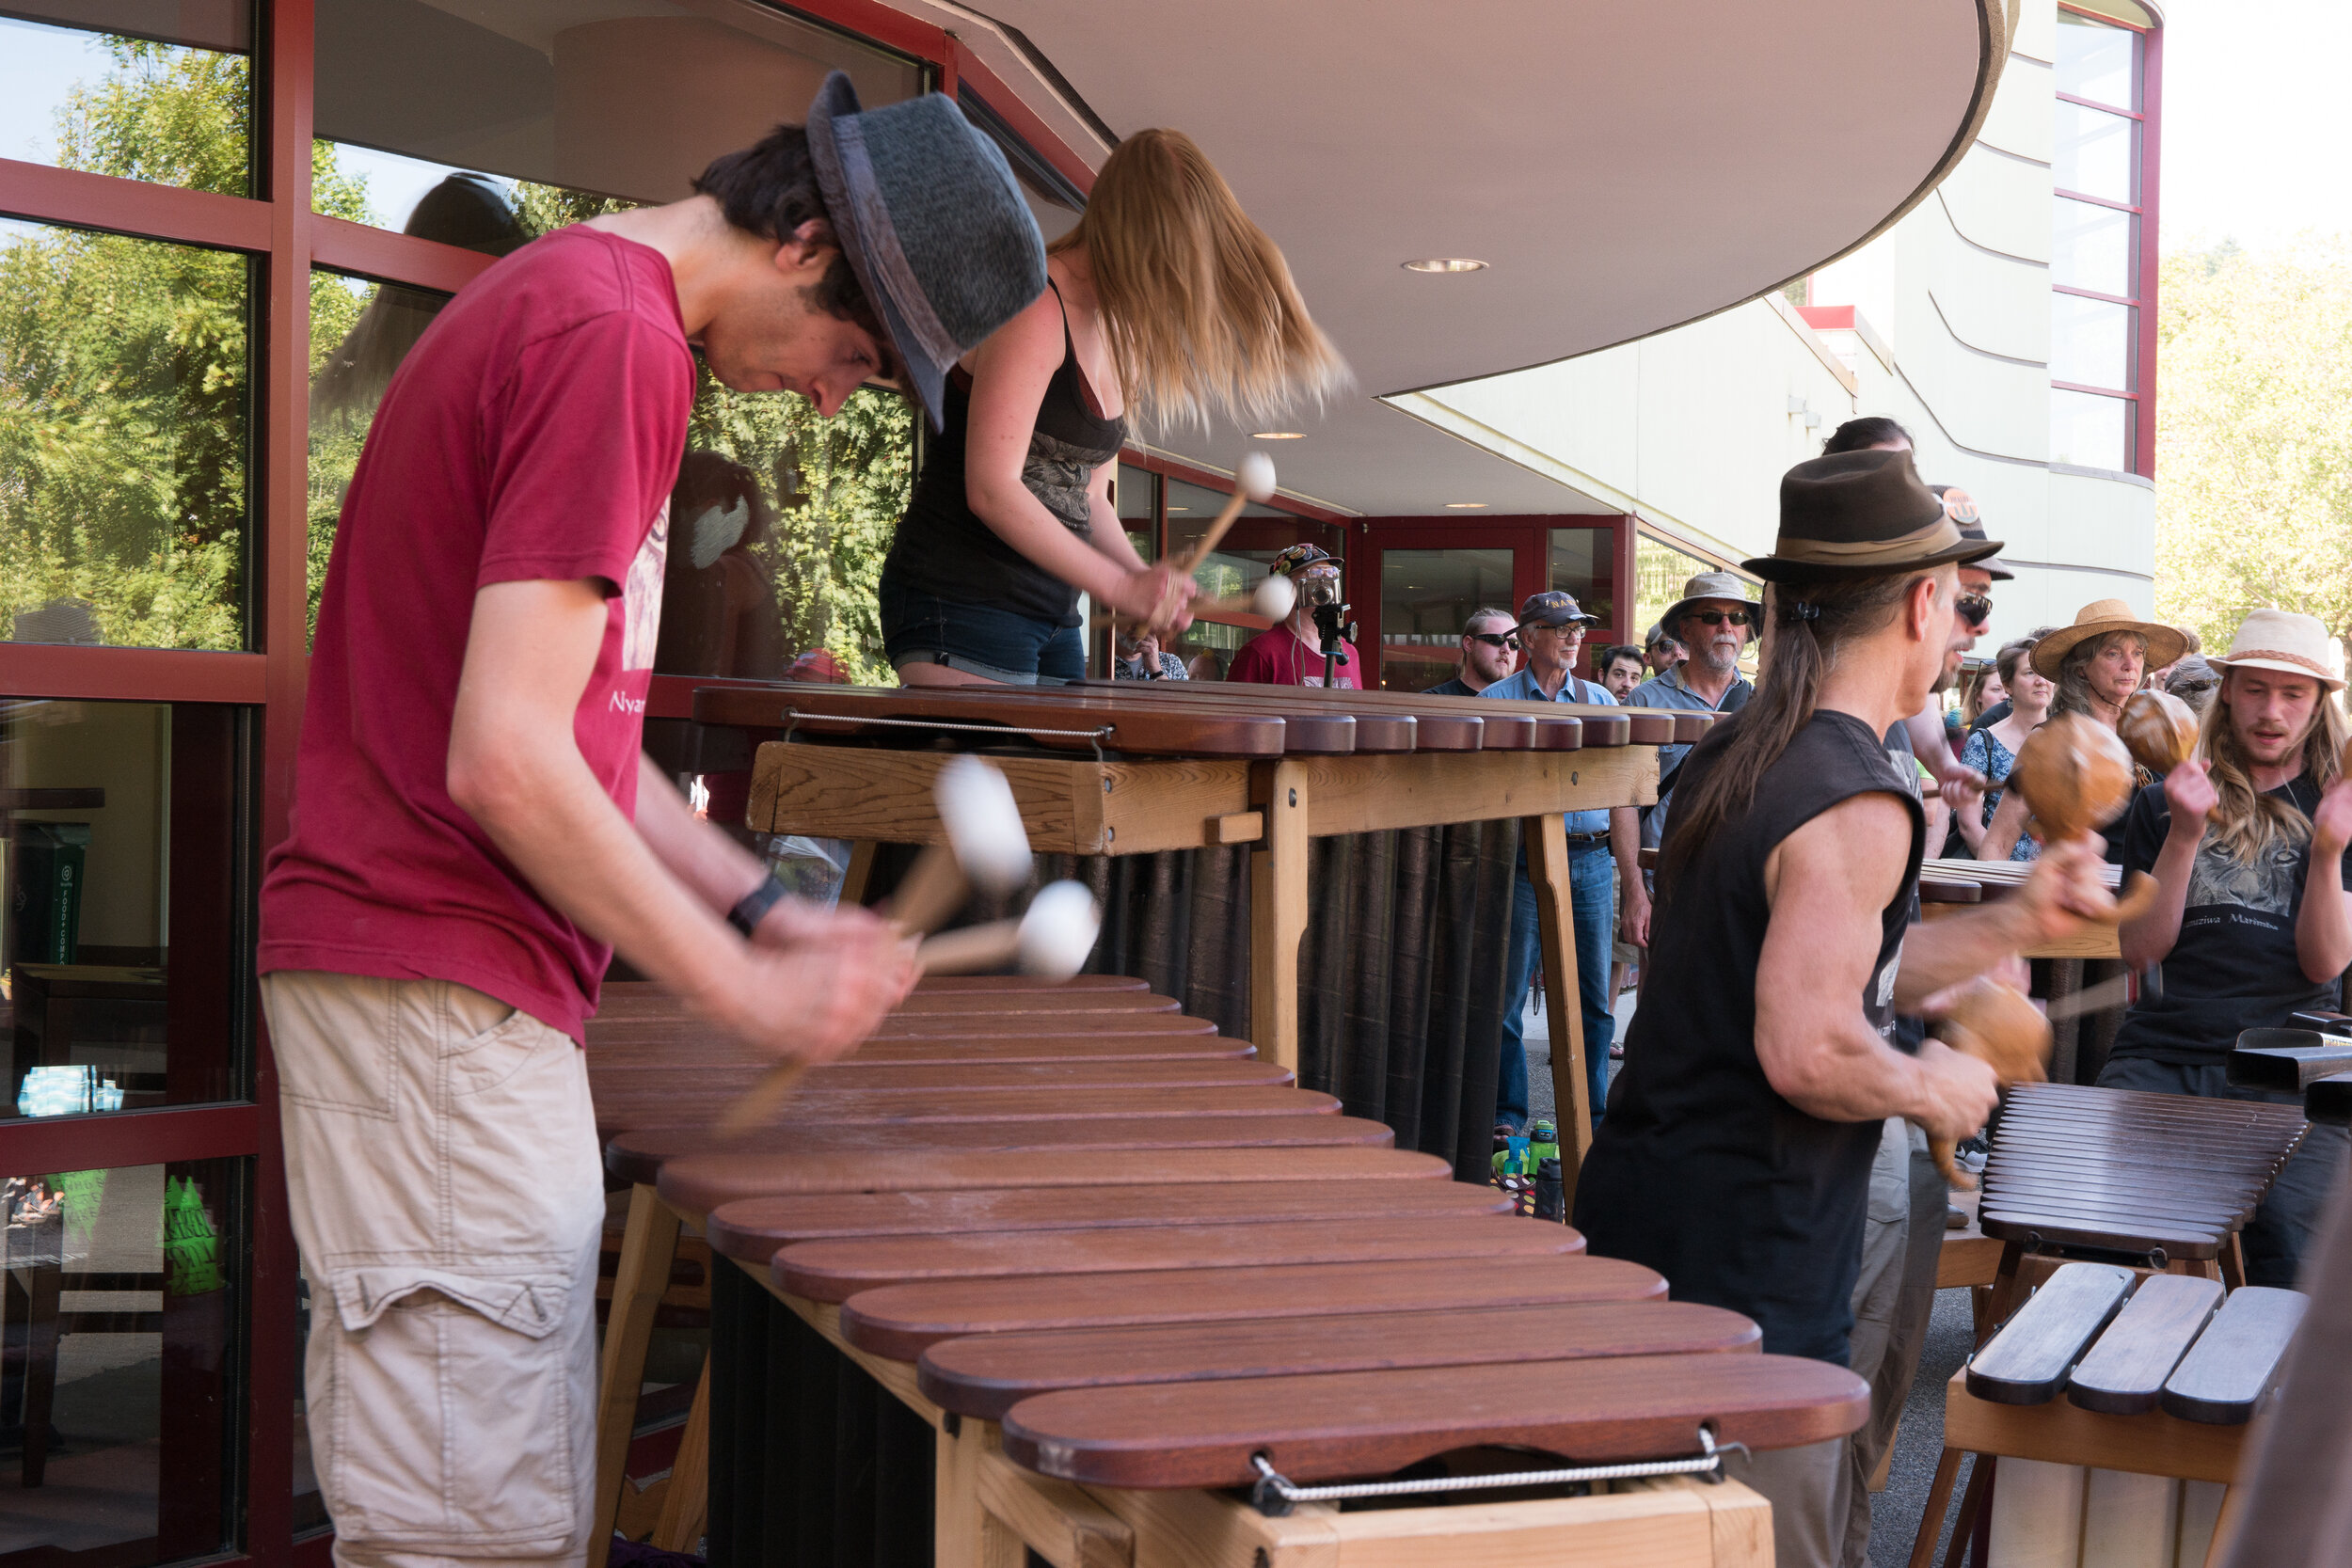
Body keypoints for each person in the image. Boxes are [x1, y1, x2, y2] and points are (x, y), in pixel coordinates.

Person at [256, 77, 1042, 1568]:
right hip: (437, 984)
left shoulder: (589, 311)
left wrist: (763, 908)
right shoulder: (608, 342)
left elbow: (574, 742)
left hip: (453, 993)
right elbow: (505, 761)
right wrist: (740, 987)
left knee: (505, 1521)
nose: (832, 397)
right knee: (477, 1542)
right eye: (859, 358)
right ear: (807, 242)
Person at [1574, 449, 2106, 1568]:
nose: (1964, 631)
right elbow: (1810, 1043)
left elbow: (1836, 968)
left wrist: (2017, 918)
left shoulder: (1742, 746)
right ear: (1917, 602)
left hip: (1649, 1218)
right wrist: (1935, 1084)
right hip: (1751, 1267)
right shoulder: (1857, 795)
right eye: (1960, 604)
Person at [879, 128, 1345, 685]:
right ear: (1133, 238)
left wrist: (1147, 580)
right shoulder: (1035, 305)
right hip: (959, 597)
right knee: (1014, 748)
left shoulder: (1122, 334)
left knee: (1070, 746)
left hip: (1051, 612)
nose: (1176, 292)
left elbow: (1089, 495)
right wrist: (1119, 587)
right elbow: (992, 489)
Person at [2105, 609, 2352, 1283]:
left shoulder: (2336, 805)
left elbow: (2325, 963)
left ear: (2318, 704)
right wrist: (2184, 835)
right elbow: (2141, 951)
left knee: (2294, 1265)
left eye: (2293, 693)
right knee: (2116, 1255)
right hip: (2163, 1052)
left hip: (2293, 1067)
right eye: (2256, 690)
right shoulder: (2162, 802)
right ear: (2229, 692)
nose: (2272, 711)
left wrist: (2328, 850)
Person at [1481, 592, 1648, 1133]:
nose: (1575, 637)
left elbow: (1624, 795)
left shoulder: (1601, 701)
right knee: (1507, 999)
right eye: (1561, 628)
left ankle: (1591, 1119)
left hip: (1593, 860)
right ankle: (1508, 1117)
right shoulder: (1496, 701)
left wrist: (1633, 883)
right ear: (1529, 638)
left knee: (1594, 1002)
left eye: (1579, 628)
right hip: (1522, 861)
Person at [1980, 599, 2186, 861]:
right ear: (2080, 668)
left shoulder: (2157, 732)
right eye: (2113, 653)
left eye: (2137, 653)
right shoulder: (2052, 740)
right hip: (2083, 884)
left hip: (2156, 885)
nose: (2130, 664)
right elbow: (1997, 844)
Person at [1632, 571, 1757, 820]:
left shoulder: (1760, 704)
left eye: (1737, 617)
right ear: (1686, 629)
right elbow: (1625, 803)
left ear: (1745, 631)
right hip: (1663, 846)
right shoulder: (1643, 702)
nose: (1726, 627)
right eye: (1712, 616)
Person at [1957, 639, 2053, 861]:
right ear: (2008, 685)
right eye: (2029, 673)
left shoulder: (2068, 739)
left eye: (2045, 673)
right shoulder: (1983, 742)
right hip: (2000, 870)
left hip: (2056, 873)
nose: (2041, 681)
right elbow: (1969, 825)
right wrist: (2000, 870)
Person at [1226, 545, 1362, 687]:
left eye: (1331, 572)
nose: (1327, 578)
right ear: (1284, 586)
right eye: (1315, 573)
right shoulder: (1261, 652)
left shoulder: (1349, 652)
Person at [1422, 606, 1518, 695]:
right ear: (1469, 644)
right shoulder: (1432, 701)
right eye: (1496, 640)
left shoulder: (1522, 702)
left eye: (1514, 643)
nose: (1506, 649)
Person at [1113, 625, 1187, 680]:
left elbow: (1181, 696)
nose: (1136, 628)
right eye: (1129, 620)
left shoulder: (1172, 664)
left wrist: (1157, 671)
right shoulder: (1105, 662)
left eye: (1143, 622)